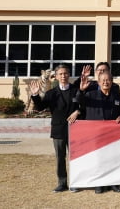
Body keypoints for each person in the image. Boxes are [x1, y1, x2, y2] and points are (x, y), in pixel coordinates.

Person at [29, 64, 81, 193]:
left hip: (75, 130)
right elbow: (40, 107)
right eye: (61, 74)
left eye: (66, 73)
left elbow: (84, 105)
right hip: (58, 130)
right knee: (60, 158)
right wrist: (35, 95)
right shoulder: (51, 93)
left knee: (75, 158)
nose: (63, 76)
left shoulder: (76, 90)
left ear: (69, 75)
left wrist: (78, 111)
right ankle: (62, 183)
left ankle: (75, 183)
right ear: (56, 77)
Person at [78, 71, 120, 193]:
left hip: (112, 133)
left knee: (112, 158)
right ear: (98, 82)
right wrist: (82, 90)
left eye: (108, 79)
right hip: (96, 134)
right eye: (103, 80)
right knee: (98, 159)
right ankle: (99, 184)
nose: (106, 82)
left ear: (112, 81)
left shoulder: (116, 95)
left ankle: (113, 182)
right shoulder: (90, 95)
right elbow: (79, 102)